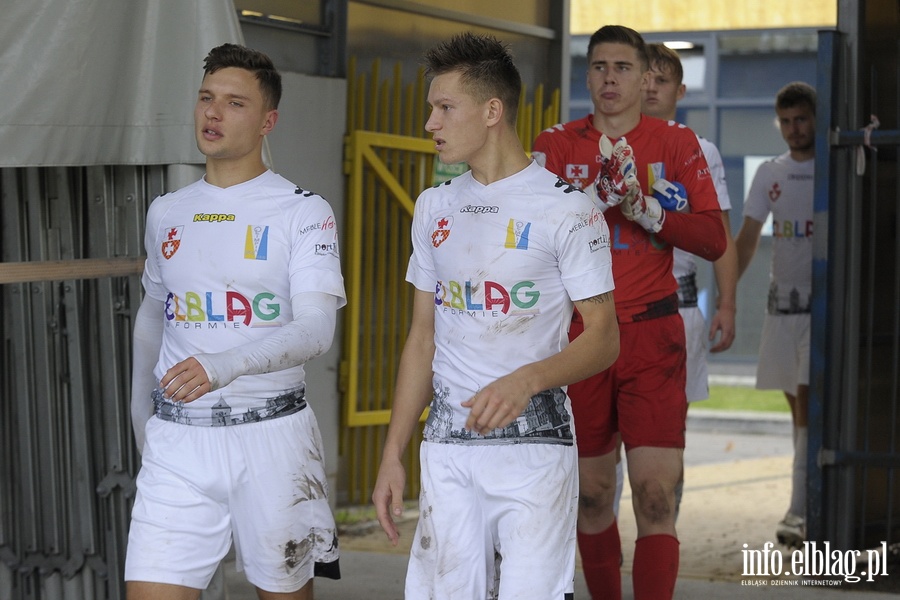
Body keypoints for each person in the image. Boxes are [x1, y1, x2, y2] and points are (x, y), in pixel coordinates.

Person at [371, 32, 620, 599]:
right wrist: (392, 454)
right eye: (431, 108)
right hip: (447, 451)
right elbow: (421, 339)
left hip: (535, 449)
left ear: (491, 111)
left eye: (444, 108)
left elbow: (604, 340)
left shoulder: (568, 209)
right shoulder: (434, 204)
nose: (430, 123)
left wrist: (526, 380)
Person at [125, 43, 346, 600]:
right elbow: (153, 319)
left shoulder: (303, 210)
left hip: (273, 438)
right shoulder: (166, 210)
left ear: (268, 120)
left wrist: (227, 365)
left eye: (234, 103)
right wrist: (141, 422)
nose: (213, 113)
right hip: (177, 439)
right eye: (205, 98)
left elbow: (319, 328)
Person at [532, 25, 727, 600]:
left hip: (652, 334)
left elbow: (714, 240)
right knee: (591, 495)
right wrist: (588, 205)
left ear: (647, 79)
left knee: (656, 495)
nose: (609, 78)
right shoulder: (557, 145)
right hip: (581, 336)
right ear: (586, 74)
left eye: (622, 67)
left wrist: (649, 212)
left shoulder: (676, 142)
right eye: (598, 66)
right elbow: (528, 244)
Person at [636, 43, 739, 517]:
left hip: (678, 310)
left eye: (663, 80)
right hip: (613, 310)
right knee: (603, 439)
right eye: (646, 78)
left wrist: (728, 306)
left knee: (668, 434)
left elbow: (720, 235)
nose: (652, 87)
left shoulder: (700, 150)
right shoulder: (603, 145)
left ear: (680, 90)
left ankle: (663, 530)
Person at [734, 81, 816, 549]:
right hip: (779, 308)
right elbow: (748, 236)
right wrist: (728, 293)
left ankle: (799, 510)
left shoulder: (833, 166)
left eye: (800, 119)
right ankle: (806, 501)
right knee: (796, 411)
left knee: (806, 404)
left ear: (814, 118)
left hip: (819, 310)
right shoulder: (769, 172)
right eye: (785, 121)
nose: (793, 129)